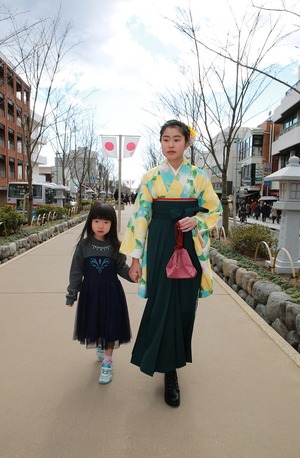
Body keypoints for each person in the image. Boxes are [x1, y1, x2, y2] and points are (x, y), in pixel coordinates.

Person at [120, 119, 222, 407]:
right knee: (161, 302)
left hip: (189, 241)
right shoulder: (151, 177)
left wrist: (198, 219)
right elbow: (141, 217)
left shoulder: (199, 177)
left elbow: (215, 209)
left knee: (185, 305)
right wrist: (135, 258)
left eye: (177, 139)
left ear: (186, 143)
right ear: (161, 142)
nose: (170, 145)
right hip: (162, 241)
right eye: (165, 139)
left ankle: (172, 362)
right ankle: (169, 370)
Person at [66, 202, 137, 384]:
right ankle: (100, 343)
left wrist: (132, 276)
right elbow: (76, 272)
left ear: (112, 224)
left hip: (112, 294)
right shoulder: (83, 246)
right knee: (96, 324)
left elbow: (122, 268)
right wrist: (72, 293)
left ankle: (107, 362)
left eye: (105, 222)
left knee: (110, 327)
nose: (100, 226)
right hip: (90, 294)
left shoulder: (116, 246)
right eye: (96, 221)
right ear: (90, 222)